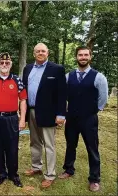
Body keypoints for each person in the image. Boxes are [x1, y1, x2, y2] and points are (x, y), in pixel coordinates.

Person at [58, 46, 108, 192]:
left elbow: (103, 99)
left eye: (86, 55)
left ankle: (94, 179)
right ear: (76, 57)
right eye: (80, 55)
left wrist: (93, 111)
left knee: (92, 148)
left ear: (90, 57)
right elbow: (64, 95)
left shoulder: (99, 77)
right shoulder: (68, 76)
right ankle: (68, 169)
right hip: (72, 118)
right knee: (70, 145)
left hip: (89, 119)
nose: (83, 57)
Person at [22, 43, 67, 188]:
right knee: (34, 141)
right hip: (31, 111)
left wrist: (61, 114)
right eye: (37, 51)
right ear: (34, 53)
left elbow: (62, 94)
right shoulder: (28, 68)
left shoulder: (57, 69)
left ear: (47, 53)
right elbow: (23, 91)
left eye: (43, 51)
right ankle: (36, 167)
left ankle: (50, 174)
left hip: (49, 113)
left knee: (49, 144)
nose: (40, 53)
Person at [0, 52, 27, 187]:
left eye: (7, 63)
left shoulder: (17, 80)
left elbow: (23, 100)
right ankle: (1, 174)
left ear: (10, 65)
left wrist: (22, 119)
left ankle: (13, 175)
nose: (4, 65)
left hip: (12, 118)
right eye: (2, 63)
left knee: (12, 148)